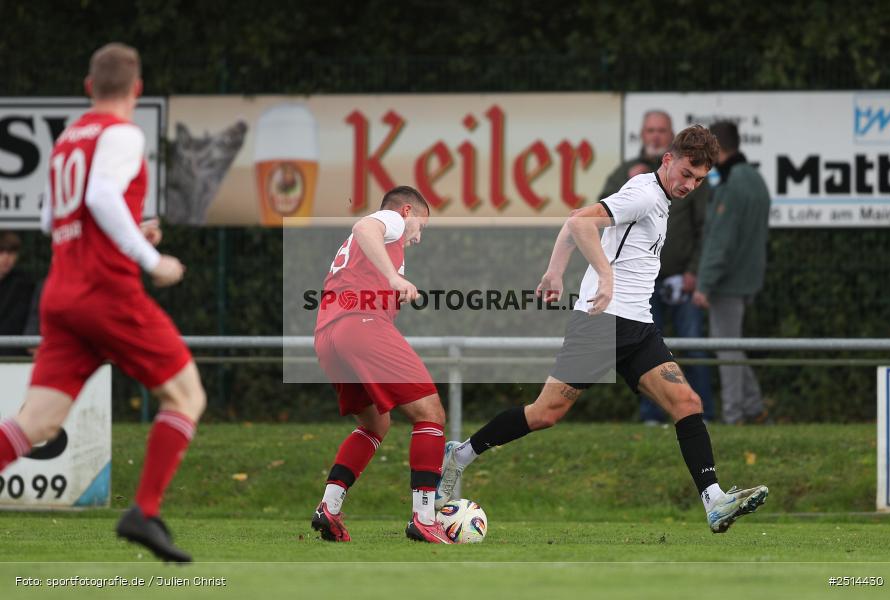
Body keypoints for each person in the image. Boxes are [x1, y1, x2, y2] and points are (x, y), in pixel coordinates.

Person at [437, 125, 768, 534]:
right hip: (601, 324)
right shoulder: (645, 193)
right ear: (668, 160)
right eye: (685, 173)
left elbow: (576, 221)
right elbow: (581, 222)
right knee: (545, 414)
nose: (689, 185)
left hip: (638, 327)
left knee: (687, 401)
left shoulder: (659, 197)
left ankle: (714, 501)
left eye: (698, 180)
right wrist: (605, 277)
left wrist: (555, 271)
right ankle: (461, 454)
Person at [0, 43, 205, 563]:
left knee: (37, 422)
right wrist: (148, 258)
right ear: (136, 90)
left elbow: (51, 219)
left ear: (89, 88)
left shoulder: (69, 139)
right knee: (186, 397)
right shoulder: (122, 133)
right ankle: (145, 510)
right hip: (105, 293)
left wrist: (131, 231)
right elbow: (99, 198)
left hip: (62, 295)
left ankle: (145, 512)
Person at [310, 185, 452, 544]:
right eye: (421, 225)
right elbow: (364, 227)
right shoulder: (390, 219)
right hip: (360, 323)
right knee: (430, 413)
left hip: (329, 334)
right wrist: (393, 277)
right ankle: (424, 518)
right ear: (407, 211)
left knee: (375, 423)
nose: (418, 236)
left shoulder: (375, 249)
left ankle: (329, 507)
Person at [601, 111, 714, 424]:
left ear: (670, 139)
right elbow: (597, 215)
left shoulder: (690, 173)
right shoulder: (628, 173)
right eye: (649, 130)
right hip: (639, 286)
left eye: (661, 130)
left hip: (680, 278)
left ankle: (700, 414)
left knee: (692, 346)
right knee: (645, 351)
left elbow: (705, 227)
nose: (654, 135)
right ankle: (652, 416)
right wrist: (626, 187)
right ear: (642, 134)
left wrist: (694, 271)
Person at [693, 121, 771, 425]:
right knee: (732, 344)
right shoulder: (755, 179)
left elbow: (721, 241)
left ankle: (735, 415)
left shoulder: (732, 183)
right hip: (747, 278)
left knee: (726, 348)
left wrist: (705, 283)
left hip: (728, 281)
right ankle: (754, 408)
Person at [0, 231, 35, 355]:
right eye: (1, 252)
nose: (6, 258)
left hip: (14, 355)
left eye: (11, 253)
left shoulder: (26, 284)